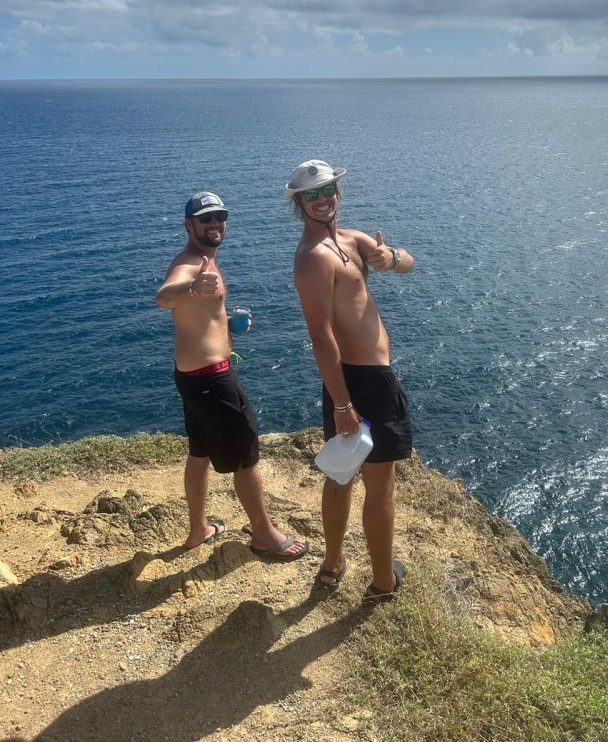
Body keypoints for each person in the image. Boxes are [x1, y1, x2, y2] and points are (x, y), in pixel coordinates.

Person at [285, 160, 414, 602]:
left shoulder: (351, 239)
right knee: (378, 484)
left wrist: (389, 258)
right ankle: (382, 582)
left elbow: (407, 263)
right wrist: (342, 405)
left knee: (340, 476)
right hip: (362, 382)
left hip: (356, 380)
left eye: (328, 189)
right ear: (298, 203)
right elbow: (320, 336)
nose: (323, 199)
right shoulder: (313, 259)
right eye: (311, 194)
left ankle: (332, 565)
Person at [155, 190, 307, 561]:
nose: (214, 224)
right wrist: (191, 287)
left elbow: (196, 313)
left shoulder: (204, 260)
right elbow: (163, 296)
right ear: (188, 225)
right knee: (245, 456)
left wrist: (226, 322)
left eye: (219, 217)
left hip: (192, 377)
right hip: (212, 379)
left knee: (201, 451)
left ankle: (197, 530)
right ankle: (265, 536)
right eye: (205, 219)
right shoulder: (191, 264)